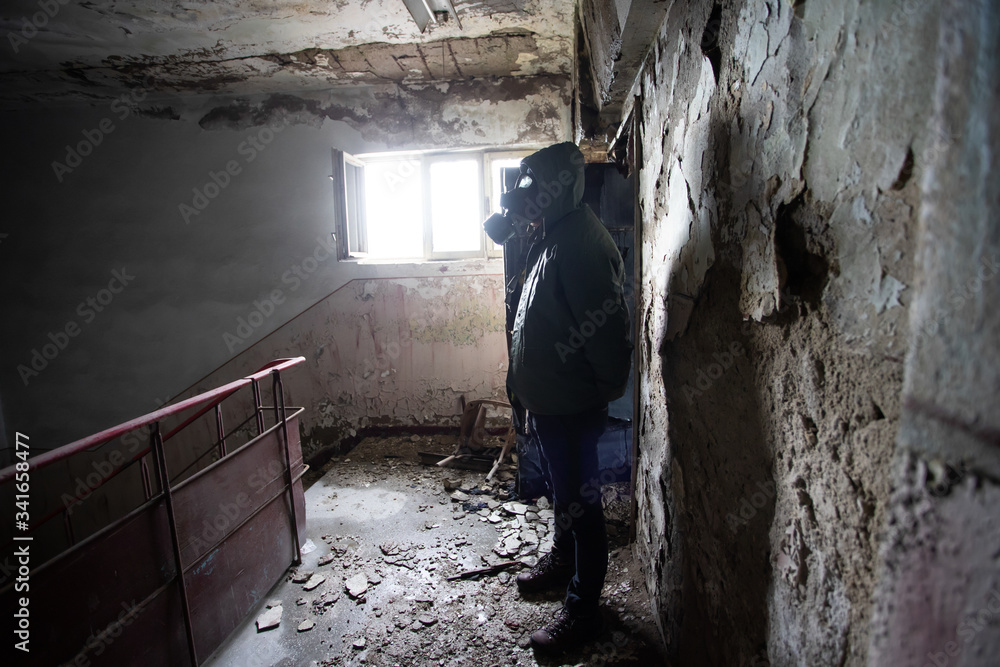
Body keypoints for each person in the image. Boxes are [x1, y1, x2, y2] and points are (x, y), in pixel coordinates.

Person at [502, 142, 632, 653]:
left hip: (572, 405)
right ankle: (562, 559)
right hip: (552, 402)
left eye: (534, 188)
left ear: (558, 187)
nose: (526, 200)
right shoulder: (553, 234)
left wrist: (594, 397)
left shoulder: (581, 243)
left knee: (582, 504)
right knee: (565, 494)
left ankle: (583, 611)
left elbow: (607, 336)